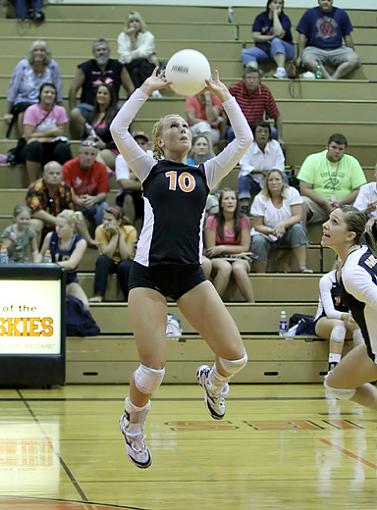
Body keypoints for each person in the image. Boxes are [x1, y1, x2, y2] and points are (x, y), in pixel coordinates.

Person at [110, 68, 253, 468]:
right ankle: (133, 424)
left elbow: (243, 139)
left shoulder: (205, 173)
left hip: (189, 273)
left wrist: (224, 94)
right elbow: (118, 129)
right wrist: (146, 89)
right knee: (152, 370)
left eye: (186, 125)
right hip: (149, 273)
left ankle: (214, 381)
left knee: (236, 357)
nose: (183, 129)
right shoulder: (148, 168)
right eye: (174, 126)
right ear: (160, 140)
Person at [320, 206, 377, 413]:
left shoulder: (352, 273)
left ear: (350, 235)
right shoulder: (364, 252)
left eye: (335, 222)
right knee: (336, 383)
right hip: (372, 342)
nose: (325, 225)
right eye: (328, 219)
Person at [69, 38, 134, 137]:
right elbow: (73, 89)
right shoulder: (84, 67)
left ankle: (121, 140)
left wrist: (129, 105)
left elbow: (130, 88)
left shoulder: (118, 66)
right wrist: (72, 107)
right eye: (98, 50)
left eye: (104, 49)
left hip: (112, 108)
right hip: (89, 108)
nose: (101, 52)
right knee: (74, 113)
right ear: (93, 52)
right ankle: (92, 136)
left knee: (125, 111)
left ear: (109, 51)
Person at [298, 133, 366, 225]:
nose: (337, 151)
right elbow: (304, 188)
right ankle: (302, 237)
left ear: (344, 150)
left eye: (340, 149)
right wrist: (325, 202)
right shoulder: (313, 159)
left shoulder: (352, 162)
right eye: (334, 147)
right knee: (301, 202)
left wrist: (341, 202)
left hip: (344, 207)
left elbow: (359, 189)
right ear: (327, 147)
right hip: (318, 205)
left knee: (360, 206)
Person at [250, 169, 311, 273]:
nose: (274, 182)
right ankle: (261, 274)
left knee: (298, 228)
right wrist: (273, 231)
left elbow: (297, 216)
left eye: (277, 179)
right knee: (257, 241)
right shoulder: (260, 198)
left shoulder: (292, 192)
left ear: (283, 182)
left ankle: (302, 267)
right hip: (267, 233)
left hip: (288, 230)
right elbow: (257, 225)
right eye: (270, 180)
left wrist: (282, 226)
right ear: (266, 183)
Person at [25, 160, 95, 246]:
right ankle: (34, 255)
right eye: (51, 173)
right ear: (44, 175)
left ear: (62, 176)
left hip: (60, 224)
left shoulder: (66, 188)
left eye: (58, 174)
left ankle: (89, 241)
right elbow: (35, 211)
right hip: (43, 225)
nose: (55, 176)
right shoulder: (35, 188)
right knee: (35, 223)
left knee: (77, 216)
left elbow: (70, 209)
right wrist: (57, 221)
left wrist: (64, 220)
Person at [204, 188, 255, 302]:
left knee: (238, 269)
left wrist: (222, 248)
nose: (230, 201)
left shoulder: (243, 219)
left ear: (237, 202)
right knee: (225, 267)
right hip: (217, 259)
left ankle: (252, 304)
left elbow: (245, 247)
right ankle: (213, 304)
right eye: (226, 199)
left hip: (239, 259)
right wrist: (237, 250)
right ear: (221, 203)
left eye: (233, 199)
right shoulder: (212, 220)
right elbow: (211, 250)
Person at [4, 40, 62, 137]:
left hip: (46, 103)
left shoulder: (53, 66)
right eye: (36, 50)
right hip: (24, 101)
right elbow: (13, 88)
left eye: (42, 50)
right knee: (26, 110)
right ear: (31, 53)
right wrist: (7, 113)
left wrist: (61, 108)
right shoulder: (22, 65)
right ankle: (24, 139)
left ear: (47, 53)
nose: (39, 53)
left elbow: (58, 88)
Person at [314, 265, 362, 374]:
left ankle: (361, 369)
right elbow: (329, 312)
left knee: (361, 327)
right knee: (339, 326)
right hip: (324, 321)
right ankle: (332, 371)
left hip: (349, 321)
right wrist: (347, 316)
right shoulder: (327, 280)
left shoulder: (357, 281)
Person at [296, 0, 361, 80]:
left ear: (332, 1)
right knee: (306, 59)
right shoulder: (309, 13)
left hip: (337, 49)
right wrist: (300, 55)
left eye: (329, 0)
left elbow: (347, 36)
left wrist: (352, 52)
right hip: (315, 49)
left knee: (355, 59)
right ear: (318, 1)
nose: (326, 2)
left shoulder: (341, 14)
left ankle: (333, 79)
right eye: (323, 0)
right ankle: (329, 79)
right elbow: (302, 35)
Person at [22, 82, 72, 183]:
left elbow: (60, 132)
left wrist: (39, 136)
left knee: (64, 148)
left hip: (53, 145)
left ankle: (63, 183)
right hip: (35, 146)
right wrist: (50, 133)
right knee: (34, 146)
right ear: (40, 94)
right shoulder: (31, 110)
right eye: (46, 92)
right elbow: (28, 135)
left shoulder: (60, 110)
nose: (49, 95)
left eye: (52, 93)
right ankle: (33, 183)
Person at [40, 209, 89, 308]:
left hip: (69, 282)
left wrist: (51, 265)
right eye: (56, 226)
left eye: (61, 226)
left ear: (72, 226)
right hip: (50, 280)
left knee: (85, 305)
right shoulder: (50, 237)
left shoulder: (80, 242)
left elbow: (71, 264)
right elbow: (40, 256)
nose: (57, 229)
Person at [89, 206, 137, 303]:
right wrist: (115, 236)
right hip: (109, 261)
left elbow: (125, 256)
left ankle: (129, 298)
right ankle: (98, 294)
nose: (105, 222)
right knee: (102, 260)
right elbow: (107, 254)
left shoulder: (130, 230)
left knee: (125, 265)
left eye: (109, 220)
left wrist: (120, 235)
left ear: (119, 221)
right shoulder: (100, 230)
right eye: (104, 219)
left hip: (124, 262)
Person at [238, 120, 285, 213]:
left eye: (266, 132)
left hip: (271, 180)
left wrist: (270, 174)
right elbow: (243, 164)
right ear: (254, 134)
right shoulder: (248, 146)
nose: (263, 134)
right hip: (254, 180)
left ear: (269, 134)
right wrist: (259, 171)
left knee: (284, 177)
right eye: (259, 131)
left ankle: (283, 202)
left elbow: (280, 164)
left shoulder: (275, 145)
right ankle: (244, 207)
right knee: (243, 178)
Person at [228, 68, 284, 145]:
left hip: (257, 126)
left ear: (259, 80)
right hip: (238, 126)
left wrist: (280, 138)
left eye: (254, 78)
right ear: (243, 79)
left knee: (273, 132)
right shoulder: (234, 89)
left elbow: (276, 115)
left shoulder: (265, 91)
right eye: (249, 78)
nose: (251, 81)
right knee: (231, 132)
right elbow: (224, 112)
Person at [241, 0, 295, 79]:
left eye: (280, 3)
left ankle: (281, 70)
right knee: (246, 53)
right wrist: (271, 37)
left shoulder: (284, 18)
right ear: (269, 5)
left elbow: (278, 33)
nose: (278, 5)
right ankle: (256, 73)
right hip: (266, 49)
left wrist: (275, 15)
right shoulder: (261, 17)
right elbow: (255, 36)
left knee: (276, 42)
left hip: (286, 50)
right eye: (275, 2)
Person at [63, 140, 109, 230]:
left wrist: (94, 199)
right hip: (73, 202)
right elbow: (66, 190)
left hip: (92, 202)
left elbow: (103, 193)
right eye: (86, 153)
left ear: (96, 156)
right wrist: (77, 200)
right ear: (79, 154)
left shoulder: (101, 168)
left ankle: (103, 233)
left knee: (104, 207)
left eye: (92, 155)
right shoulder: (68, 167)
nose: (88, 157)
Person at [115, 130, 151, 230]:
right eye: (136, 143)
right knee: (128, 197)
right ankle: (129, 233)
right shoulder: (122, 157)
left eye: (143, 143)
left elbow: (158, 182)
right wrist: (147, 183)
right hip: (128, 194)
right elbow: (124, 184)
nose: (139, 146)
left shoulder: (154, 157)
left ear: (147, 146)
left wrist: (133, 177)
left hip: (149, 193)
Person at [80, 83, 119, 170]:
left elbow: (121, 138)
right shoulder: (91, 115)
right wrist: (88, 139)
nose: (101, 95)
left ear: (111, 97)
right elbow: (83, 135)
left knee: (93, 155)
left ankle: (106, 172)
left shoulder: (116, 115)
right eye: (99, 93)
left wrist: (105, 145)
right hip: (93, 149)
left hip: (112, 150)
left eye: (105, 93)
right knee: (90, 154)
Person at [117, 11, 158, 90]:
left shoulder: (148, 36)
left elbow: (143, 54)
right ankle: (144, 91)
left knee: (138, 68)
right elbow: (125, 58)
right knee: (134, 66)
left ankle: (135, 93)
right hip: (128, 66)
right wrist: (132, 38)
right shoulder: (122, 36)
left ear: (141, 23)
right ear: (127, 24)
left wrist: (131, 52)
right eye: (131, 21)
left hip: (145, 66)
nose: (134, 23)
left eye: (137, 21)